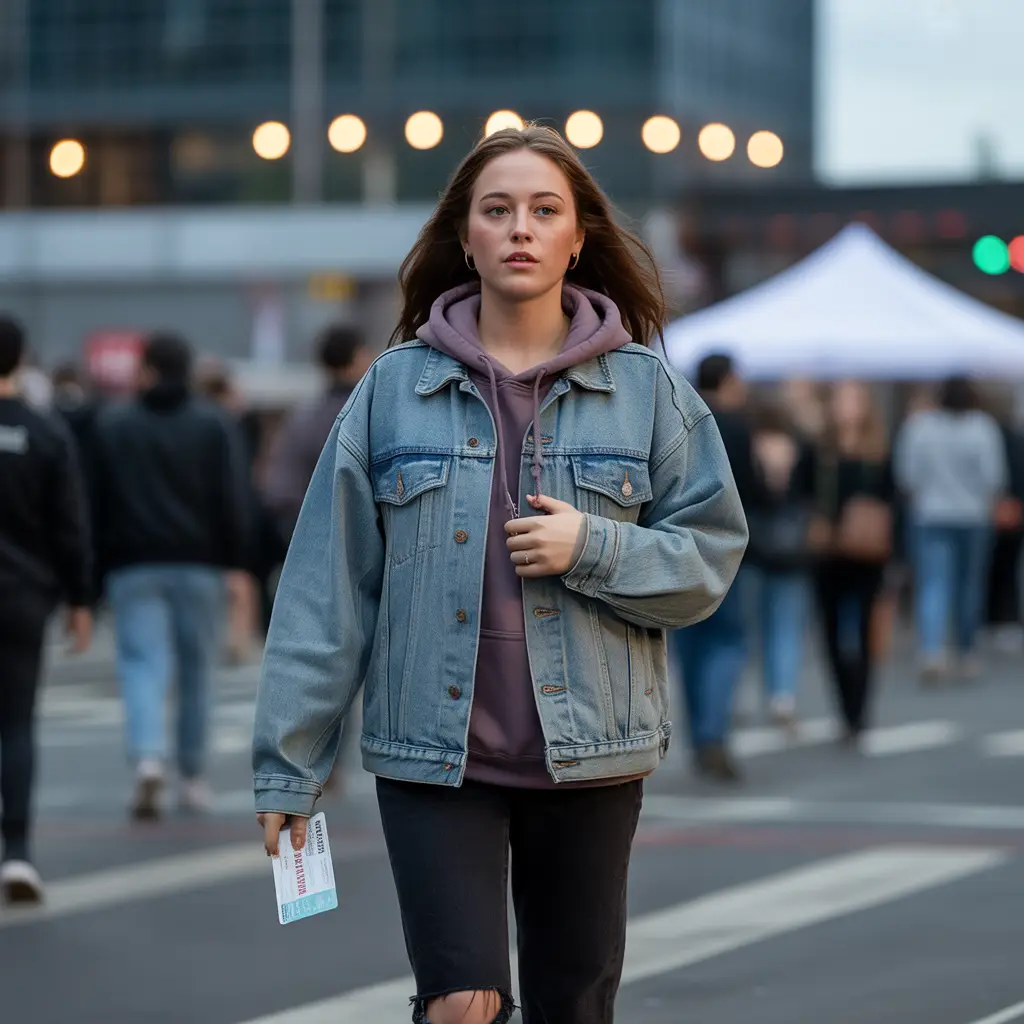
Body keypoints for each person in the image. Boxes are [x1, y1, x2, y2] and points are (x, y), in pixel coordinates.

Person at [253, 125, 747, 1024]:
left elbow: (709, 558)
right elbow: (327, 590)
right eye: (498, 210)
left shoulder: (650, 393)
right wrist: (289, 766)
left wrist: (593, 547)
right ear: (468, 237)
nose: (521, 226)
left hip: (591, 756)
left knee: (573, 1005)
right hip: (435, 760)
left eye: (544, 210)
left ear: (576, 238)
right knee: (462, 1005)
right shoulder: (392, 389)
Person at [92, 333, 252, 818]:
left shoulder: (114, 424)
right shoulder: (214, 423)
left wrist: (93, 570)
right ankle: (192, 775)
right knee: (196, 671)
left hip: (132, 563)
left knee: (142, 663)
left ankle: (147, 758)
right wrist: (238, 562)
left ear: (146, 369)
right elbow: (233, 497)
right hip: (200, 563)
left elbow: (96, 501)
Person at [0, 315, 93, 903]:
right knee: (14, 723)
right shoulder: (45, 431)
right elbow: (70, 524)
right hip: (22, 595)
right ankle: (17, 855)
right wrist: (80, 598)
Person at [673, 353, 754, 782]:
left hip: (679, 547)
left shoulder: (679, 415)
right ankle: (713, 733)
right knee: (727, 643)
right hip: (726, 550)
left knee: (690, 647)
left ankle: (699, 735)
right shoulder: (737, 426)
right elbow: (753, 490)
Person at [895, 375, 1007, 681]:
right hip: (972, 515)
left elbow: (906, 476)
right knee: (968, 585)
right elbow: (993, 478)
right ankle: (966, 649)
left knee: (933, 583)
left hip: (930, 513)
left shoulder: (920, 427)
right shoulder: (983, 429)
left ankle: (932, 649)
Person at [814, 382, 895, 742]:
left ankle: (860, 711)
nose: (846, 408)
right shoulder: (819, 452)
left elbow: (893, 500)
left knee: (863, 632)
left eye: (853, 401)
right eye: (841, 400)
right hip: (828, 555)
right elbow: (803, 493)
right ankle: (845, 708)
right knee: (830, 632)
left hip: (867, 556)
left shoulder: (878, 453)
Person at [262, 324, 372, 542]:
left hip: (300, 527)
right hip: (343, 532)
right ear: (356, 357)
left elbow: (279, 485)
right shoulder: (363, 412)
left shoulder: (304, 415)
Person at [744, 402, 817, 731]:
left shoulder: (748, 447)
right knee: (786, 627)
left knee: (751, 628)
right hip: (791, 548)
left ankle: (746, 694)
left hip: (755, 547)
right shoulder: (798, 448)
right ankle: (783, 695)